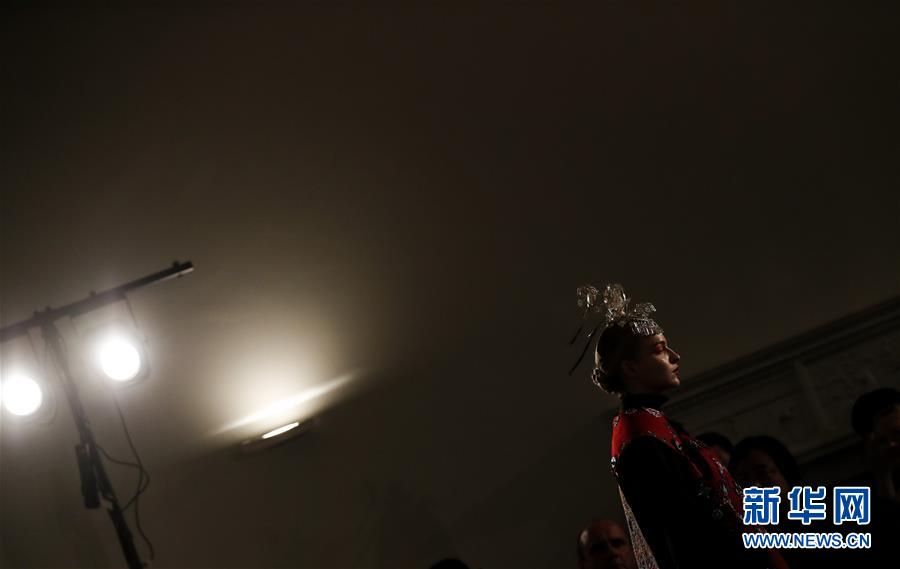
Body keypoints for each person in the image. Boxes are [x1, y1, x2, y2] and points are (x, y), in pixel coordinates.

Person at [572, 284, 787, 569]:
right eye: (659, 350)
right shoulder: (642, 440)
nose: (675, 356)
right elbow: (684, 537)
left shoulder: (656, 426)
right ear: (631, 368)